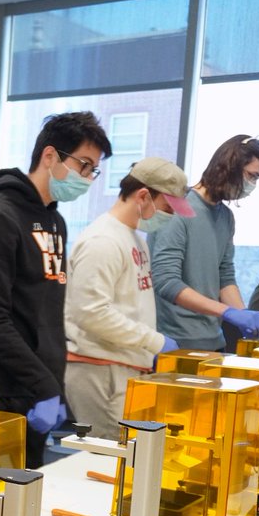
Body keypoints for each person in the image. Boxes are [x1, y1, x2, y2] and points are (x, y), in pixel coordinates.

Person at [0, 111, 112, 467]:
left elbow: (46, 311)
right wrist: (42, 386)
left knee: (27, 503)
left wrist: (51, 385)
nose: (88, 177)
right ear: (50, 156)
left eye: (94, 170)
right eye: (84, 165)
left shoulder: (55, 220)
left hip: (39, 387)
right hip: (3, 389)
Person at [64, 158, 193, 439]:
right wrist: (154, 341)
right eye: (167, 208)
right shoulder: (103, 241)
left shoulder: (134, 238)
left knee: (127, 457)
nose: (169, 216)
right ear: (144, 196)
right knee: (109, 460)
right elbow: (91, 313)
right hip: (99, 369)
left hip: (126, 366)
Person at [150, 135, 259, 350]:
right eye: (251, 176)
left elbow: (225, 277)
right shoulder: (178, 206)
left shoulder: (225, 217)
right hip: (175, 344)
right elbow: (166, 281)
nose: (252, 185)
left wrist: (244, 315)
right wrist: (227, 312)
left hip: (214, 342)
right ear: (231, 166)